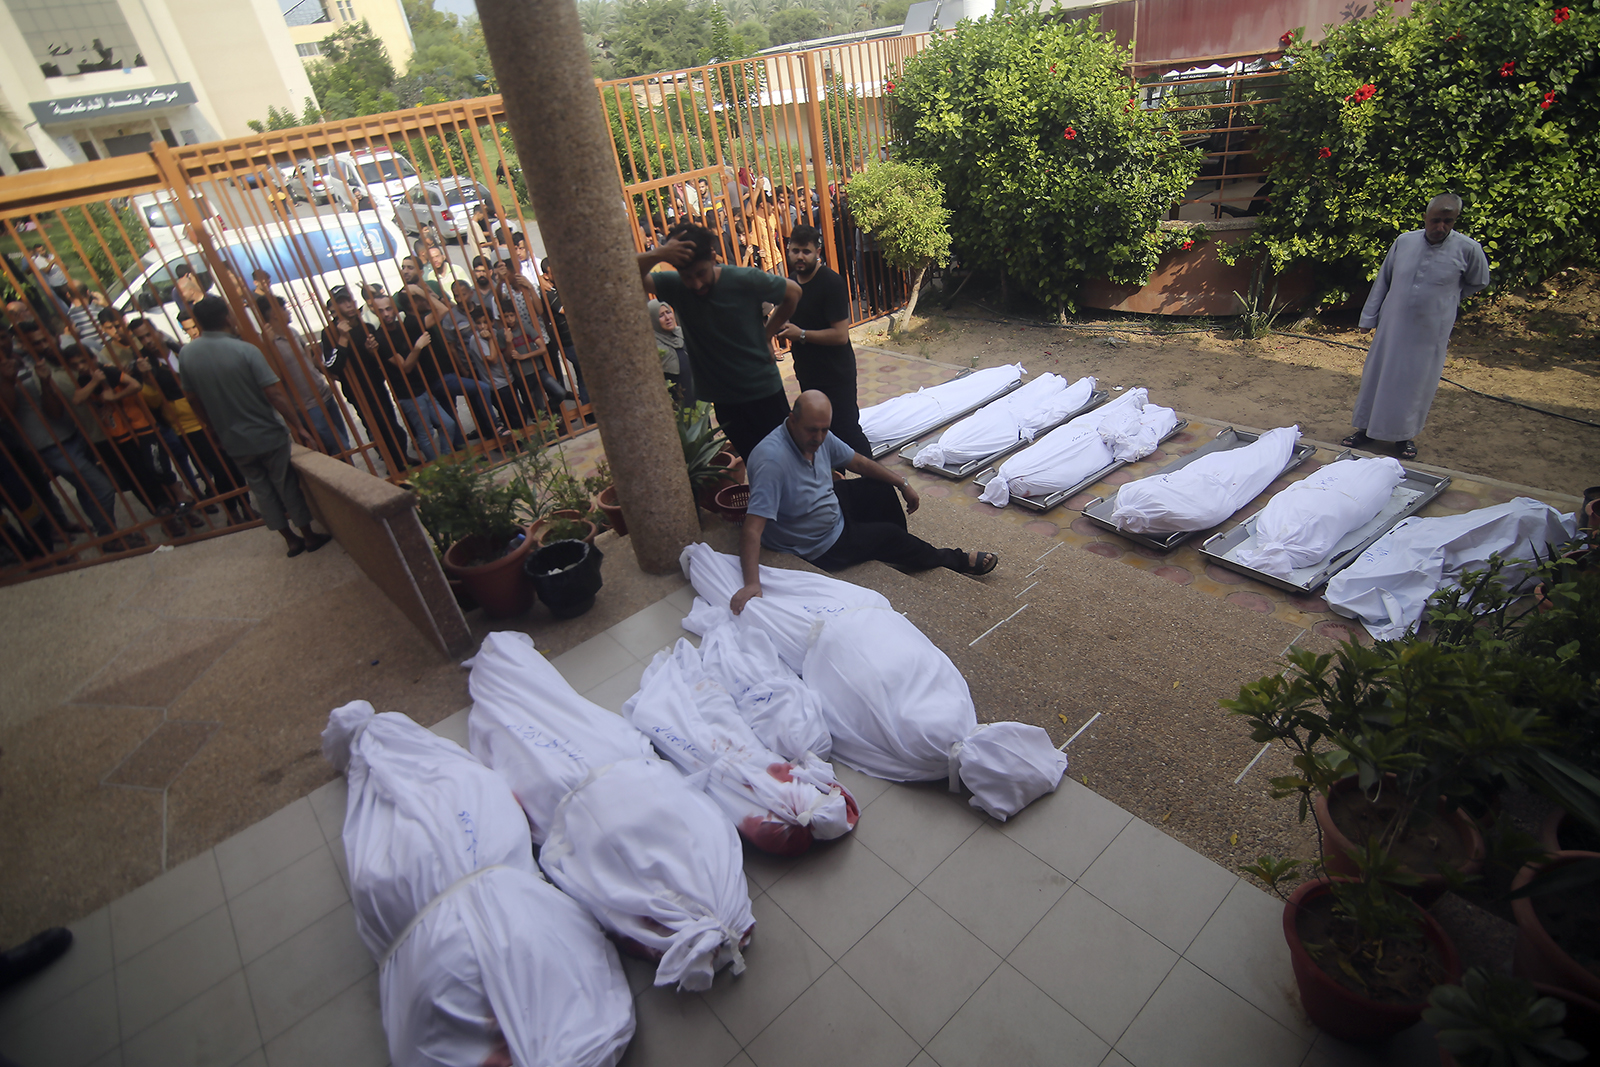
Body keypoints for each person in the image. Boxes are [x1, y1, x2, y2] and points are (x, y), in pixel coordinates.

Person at [732, 391, 997, 613]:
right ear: (791, 421)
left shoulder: (818, 435)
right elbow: (752, 529)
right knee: (889, 535)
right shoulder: (771, 461)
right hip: (818, 543)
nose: (819, 438)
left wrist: (902, 483)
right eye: (812, 430)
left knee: (881, 486)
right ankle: (955, 560)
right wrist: (752, 583)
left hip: (828, 505)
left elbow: (857, 462)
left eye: (825, 430)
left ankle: (895, 549)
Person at [178, 296, 331, 557]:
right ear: (227, 318)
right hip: (265, 433)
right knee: (285, 484)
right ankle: (307, 535)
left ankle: (290, 540)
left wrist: (211, 427)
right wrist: (298, 426)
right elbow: (274, 394)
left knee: (260, 488)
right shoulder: (245, 350)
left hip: (232, 438)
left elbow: (192, 398)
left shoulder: (187, 354)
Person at [1344, 193, 1491, 462]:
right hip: (1393, 324)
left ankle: (1404, 437)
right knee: (1378, 377)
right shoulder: (1405, 241)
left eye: (1448, 221)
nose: (1441, 227)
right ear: (1425, 217)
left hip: (1430, 331)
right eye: (1435, 220)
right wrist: (1368, 319)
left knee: (1415, 385)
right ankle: (1365, 430)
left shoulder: (1468, 249)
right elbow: (1383, 281)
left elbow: (1478, 281)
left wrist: (1446, 299)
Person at [638, 222, 801, 459]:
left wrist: (768, 334)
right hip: (724, 400)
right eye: (687, 276)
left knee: (787, 460)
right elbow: (623, 273)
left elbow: (793, 293)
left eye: (701, 273)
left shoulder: (743, 279)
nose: (696, 284)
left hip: (763, 392)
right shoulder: (675, 286)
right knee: (754, 462)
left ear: (713, 257)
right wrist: (658, 253)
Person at [776, 224, 870, 455]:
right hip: (808, 374)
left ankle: (878, 485)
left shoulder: (831, 283)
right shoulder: (790, 284)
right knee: (819, 435)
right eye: (795, 250)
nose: (800, 256)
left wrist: (802, 335)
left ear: (818, 252)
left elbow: (840, 335)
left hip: (836, 374)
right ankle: (833, 486)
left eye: (806, 251)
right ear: (788, 251)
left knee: (847, 431)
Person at [322, 285, 413, 474]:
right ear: (334, 308)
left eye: (348, 299)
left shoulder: (367, 327)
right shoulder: (330, 332)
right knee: (379, 429)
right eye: (341, 302)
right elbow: (332, 367)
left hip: (377, 384)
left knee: (392, 425)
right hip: (357, 391)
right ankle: (395, 469)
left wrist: (373, 351)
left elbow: (380, 360)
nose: (348, 304)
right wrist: (343, 339)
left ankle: (402, 460)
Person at [369, 292, 464, 461]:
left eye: (389, 309)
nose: (386, 314)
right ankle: (439, 470)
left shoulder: (403, 326)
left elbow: (442, 311)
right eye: (381, 310)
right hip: (407, 393)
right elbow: (405, 367)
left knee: (447, 424)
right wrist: (418, 347)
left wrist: (422, 291)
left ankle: (445, 462)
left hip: (423, 387)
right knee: (425, 433)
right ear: (375, 312)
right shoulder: (381, 338)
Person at [255, 293, 349, 456]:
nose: (288, 312)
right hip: (307, 405)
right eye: (284, 309)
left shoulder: (292, 332)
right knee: (337, 448)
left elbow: (308, 359)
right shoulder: (267, 344)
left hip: (324, 394)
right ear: (275, 314)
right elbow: (274, 377)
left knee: (345, 444)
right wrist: (268, 347)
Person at [650, 298, 694, 407]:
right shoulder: (652, 345)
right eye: (661, 316)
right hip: (676, 404)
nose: (667, 318)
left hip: (698, 398)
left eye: (668, 312)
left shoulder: (683, 333)